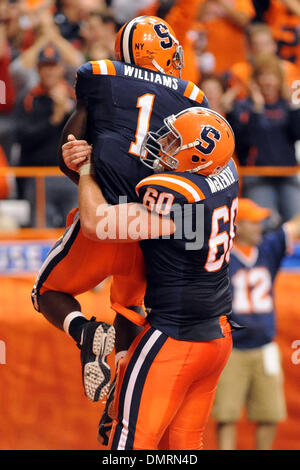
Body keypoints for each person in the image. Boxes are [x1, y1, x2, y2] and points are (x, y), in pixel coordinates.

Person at [31, 15, 209, 417]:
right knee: (130, 307)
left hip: (103, 220)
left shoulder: (101, 77)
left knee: (45, 292)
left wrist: (82, 159)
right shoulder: (194, 98)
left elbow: (70, 157)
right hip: (153, 230)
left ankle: (85, 332)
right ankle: (122, 392)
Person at [76, 106, 240, 450]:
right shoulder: (226, 173)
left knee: (128, 441)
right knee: (183, 445)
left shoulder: (177, 198)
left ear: (195, 157)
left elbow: (94, 222)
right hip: (219, 337)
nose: (163, 144)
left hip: (175, 337)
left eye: (174, 141)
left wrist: (87, 169)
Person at [212, 198, 300, 450]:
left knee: (269, 414)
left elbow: (294, 227)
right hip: (232, 348)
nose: (261, 227)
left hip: (264, 346)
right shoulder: (222, 256)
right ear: (237, 227)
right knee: (226, 414)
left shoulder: (268, 249)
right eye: (254, 223)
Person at [224, 54, 300, 223]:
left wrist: (294, 106)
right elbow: (245, 141)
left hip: (287, 174)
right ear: (255, 80)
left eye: (272, 76)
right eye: (263, 76)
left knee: (296, 226)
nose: (268, 82)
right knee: (263, 225)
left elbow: (297, 134)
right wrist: (257, 110)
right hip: (256, 175)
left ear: (280, 80)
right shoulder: (244, 106)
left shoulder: (286, 105)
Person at [14, 43, 78, 227]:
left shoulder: (76, 97)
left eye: (53, 66)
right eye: (44, 67)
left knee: (74, 231)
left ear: (61, 68)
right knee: (41, 229)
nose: (49, 72)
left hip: (70, 177)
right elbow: (22, 138)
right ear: (38, 70)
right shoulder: (28, 98)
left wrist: (68, 111)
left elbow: (87, 133)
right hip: (38, 176)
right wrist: (54, 119)